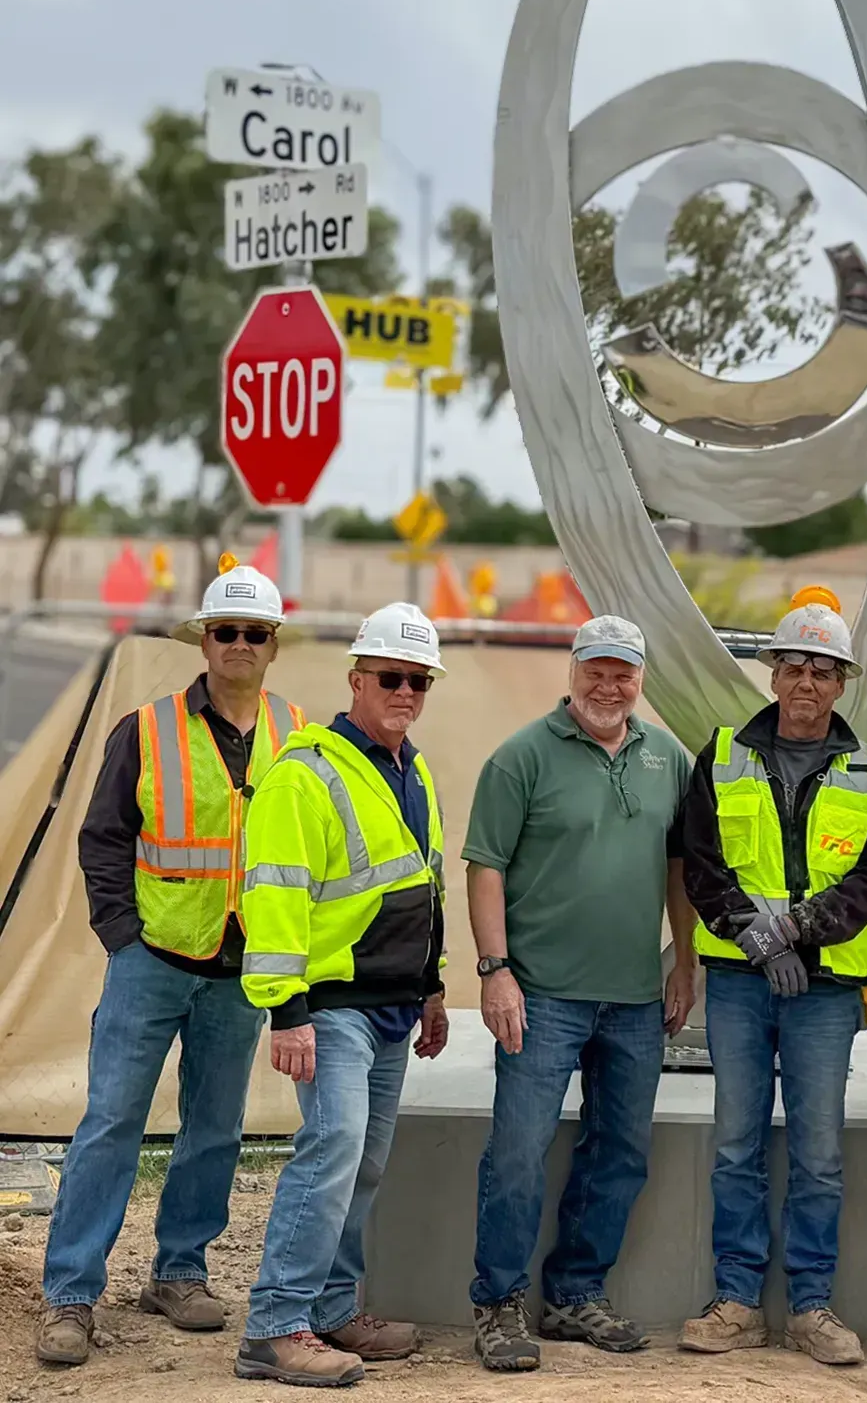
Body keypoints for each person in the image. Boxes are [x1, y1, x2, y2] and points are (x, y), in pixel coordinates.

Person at [37, 563, 304, 1368]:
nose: (239, 645)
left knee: (215, 1129)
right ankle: (71, 1294)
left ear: (272, 646)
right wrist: (121, 932)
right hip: (151, 959)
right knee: (112, 1121)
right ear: (203, 639)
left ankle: (179, 1272)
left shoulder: (299, 735)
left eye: (254, 633)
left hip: (241, 968)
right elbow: (104, 836)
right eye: (226, 631)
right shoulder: (146, 729)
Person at [675, 591, 867, 1367]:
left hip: (827, 990)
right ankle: (737, 1300)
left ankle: (811, 1306)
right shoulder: (723, 754)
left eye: (823, 670)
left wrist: (798, 933)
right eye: (794, 666)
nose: (807, 682)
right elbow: (701, 861)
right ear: (773, 672)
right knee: (737, 1143)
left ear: (843, 682)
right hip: (741, 982)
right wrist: (753, 936)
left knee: (818, 1151)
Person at [464, 616, 695, 1371]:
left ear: (640, 679)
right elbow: (485, 866)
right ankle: (498, 1302)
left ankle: (573, 1294)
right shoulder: (520, 759)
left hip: (634, 999)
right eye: (595, 669)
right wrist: (495, 970)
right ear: (572, 671)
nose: (609, 685)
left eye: (623, 672)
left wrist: (684, 964)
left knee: (622, 1152)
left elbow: (680, 868)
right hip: (540, 997)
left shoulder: (669, 758)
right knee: (519, 1152)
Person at [234, 603, 452, 1386]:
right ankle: (274, 1325)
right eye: (391, 678)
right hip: (330, 1007)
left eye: (418, 681)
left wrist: (432, 986)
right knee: (330, 1156)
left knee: (362, 1163)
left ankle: (330, 1308)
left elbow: (423, 885)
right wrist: (286, 1011)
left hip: (393, 1007)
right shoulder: (305, 773)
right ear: (356, 679)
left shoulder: (413, 768)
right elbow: (275, 897)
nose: (405, 692)